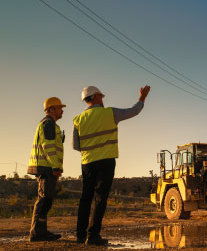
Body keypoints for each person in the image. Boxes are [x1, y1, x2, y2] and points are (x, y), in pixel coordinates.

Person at [73, 85, 150, 245]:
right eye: (101, 96)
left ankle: (80, 235)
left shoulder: (78, 120)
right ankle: (93, 235)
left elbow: (76, 145)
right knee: (100, 198)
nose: (102, 99)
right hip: (106, 161)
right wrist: (142, 98)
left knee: (85, 198)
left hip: (87, 162)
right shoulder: (109, 113)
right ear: (94, 97)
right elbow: (133, 111)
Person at [27, 97, 66, 242]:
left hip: (47, 166)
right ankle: (37, 233)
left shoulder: (51, 125)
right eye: (59, 108)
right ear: (51, 109)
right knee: (44, 199)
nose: (62, 111)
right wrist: (55, 166)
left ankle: (40, 231)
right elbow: (48, 146)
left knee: (46, 199)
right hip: (47, 167)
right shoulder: (48, 123)